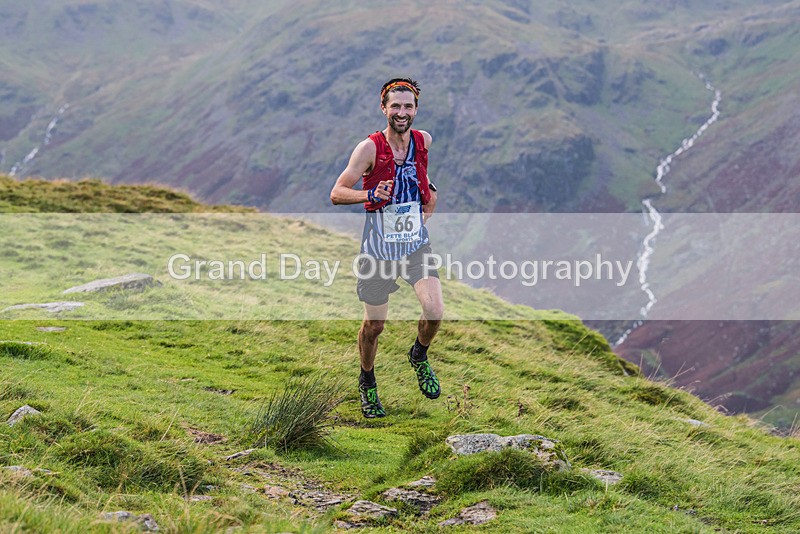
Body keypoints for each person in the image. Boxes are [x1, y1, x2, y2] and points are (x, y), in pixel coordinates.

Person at [330, 78, 444, 418]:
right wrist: (369, 195)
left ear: (416, 110)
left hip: (414, 247)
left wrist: (430, 193)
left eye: (408, 106)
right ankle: (367, 381)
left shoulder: (423, 140)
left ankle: (418, 355)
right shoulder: (368, 148)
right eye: (395, 106)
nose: (402, 112)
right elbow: (337, 192)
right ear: (384, 108)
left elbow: (420, 173)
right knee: (375, 326)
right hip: (378, 252)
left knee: (435, 311)